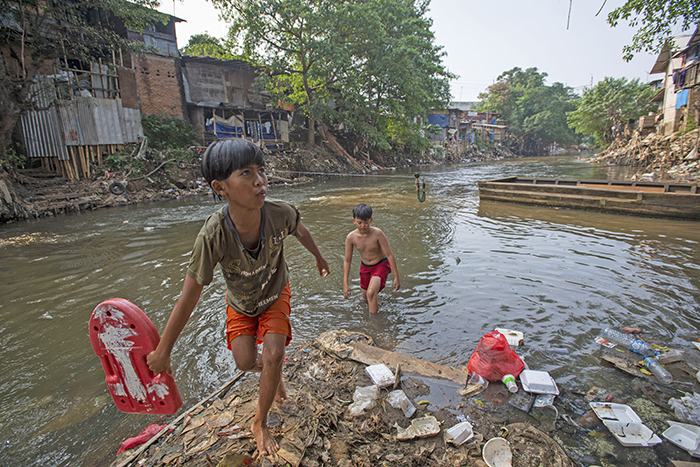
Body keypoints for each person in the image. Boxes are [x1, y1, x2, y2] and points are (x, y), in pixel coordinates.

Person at [146, 139, 329, 458]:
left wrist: (319, 258)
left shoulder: (279, 213)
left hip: (274, 293)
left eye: (261, 171)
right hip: (241, 303)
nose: (260, 180)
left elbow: (301, 231)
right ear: (220, 187)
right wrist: (163, 352)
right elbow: (188, 297)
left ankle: (260, 422)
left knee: (273, 352)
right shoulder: (213, 234)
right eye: (246, 173)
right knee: (246, 362)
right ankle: (274, 378)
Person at [343, 203, 400, 313]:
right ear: (353, 221)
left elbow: (389, 254)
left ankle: (374, 326)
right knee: (365, 298)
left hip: (380, 264)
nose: (363, 226)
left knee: (371, 293)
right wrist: (345, 283)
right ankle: (366, 316)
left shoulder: (377, 233)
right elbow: (347, 260)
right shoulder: (351, 237)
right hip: (365, 267)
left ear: (371, 220)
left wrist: (396, 277)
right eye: (359, 223)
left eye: (366, 222)